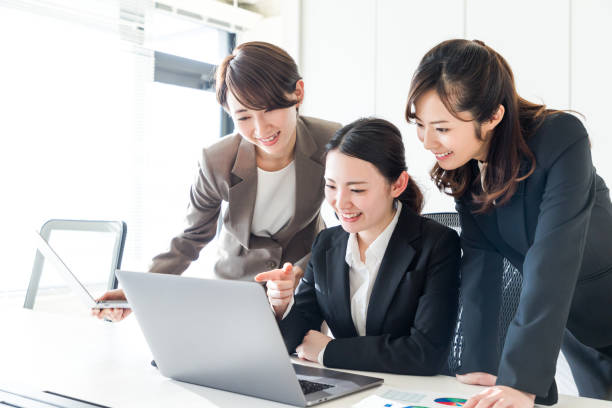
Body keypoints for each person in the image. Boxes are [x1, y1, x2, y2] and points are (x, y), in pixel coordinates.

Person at [406, 39, 612, 407]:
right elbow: (481, 266)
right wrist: (480, 366)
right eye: (420, 125)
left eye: (441, 128)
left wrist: (520, 381)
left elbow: (553, 259)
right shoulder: (467, 169)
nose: (426, 141)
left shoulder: (561, 138)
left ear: (492, 116)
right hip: (576, 329)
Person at [92, 41, 341, 322]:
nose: (261, 129)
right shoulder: (217, 161)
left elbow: (349, 228)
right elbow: (191, 237)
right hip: (233, 290)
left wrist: (300, 272)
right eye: (244, 116)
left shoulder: (333, 144)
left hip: (302, 286)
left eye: (269, 109)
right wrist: (136, 291)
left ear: (298, 92)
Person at [255, 118, 460, 375]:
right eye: (331, 186)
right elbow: (296, 337)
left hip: (406, 392)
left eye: (357, 190)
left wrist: (329, 351)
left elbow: (424, 353)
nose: (340, 203)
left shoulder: (437, 244)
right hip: (348, 386)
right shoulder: (327, 243)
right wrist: (283, 305)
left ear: (397, 184)